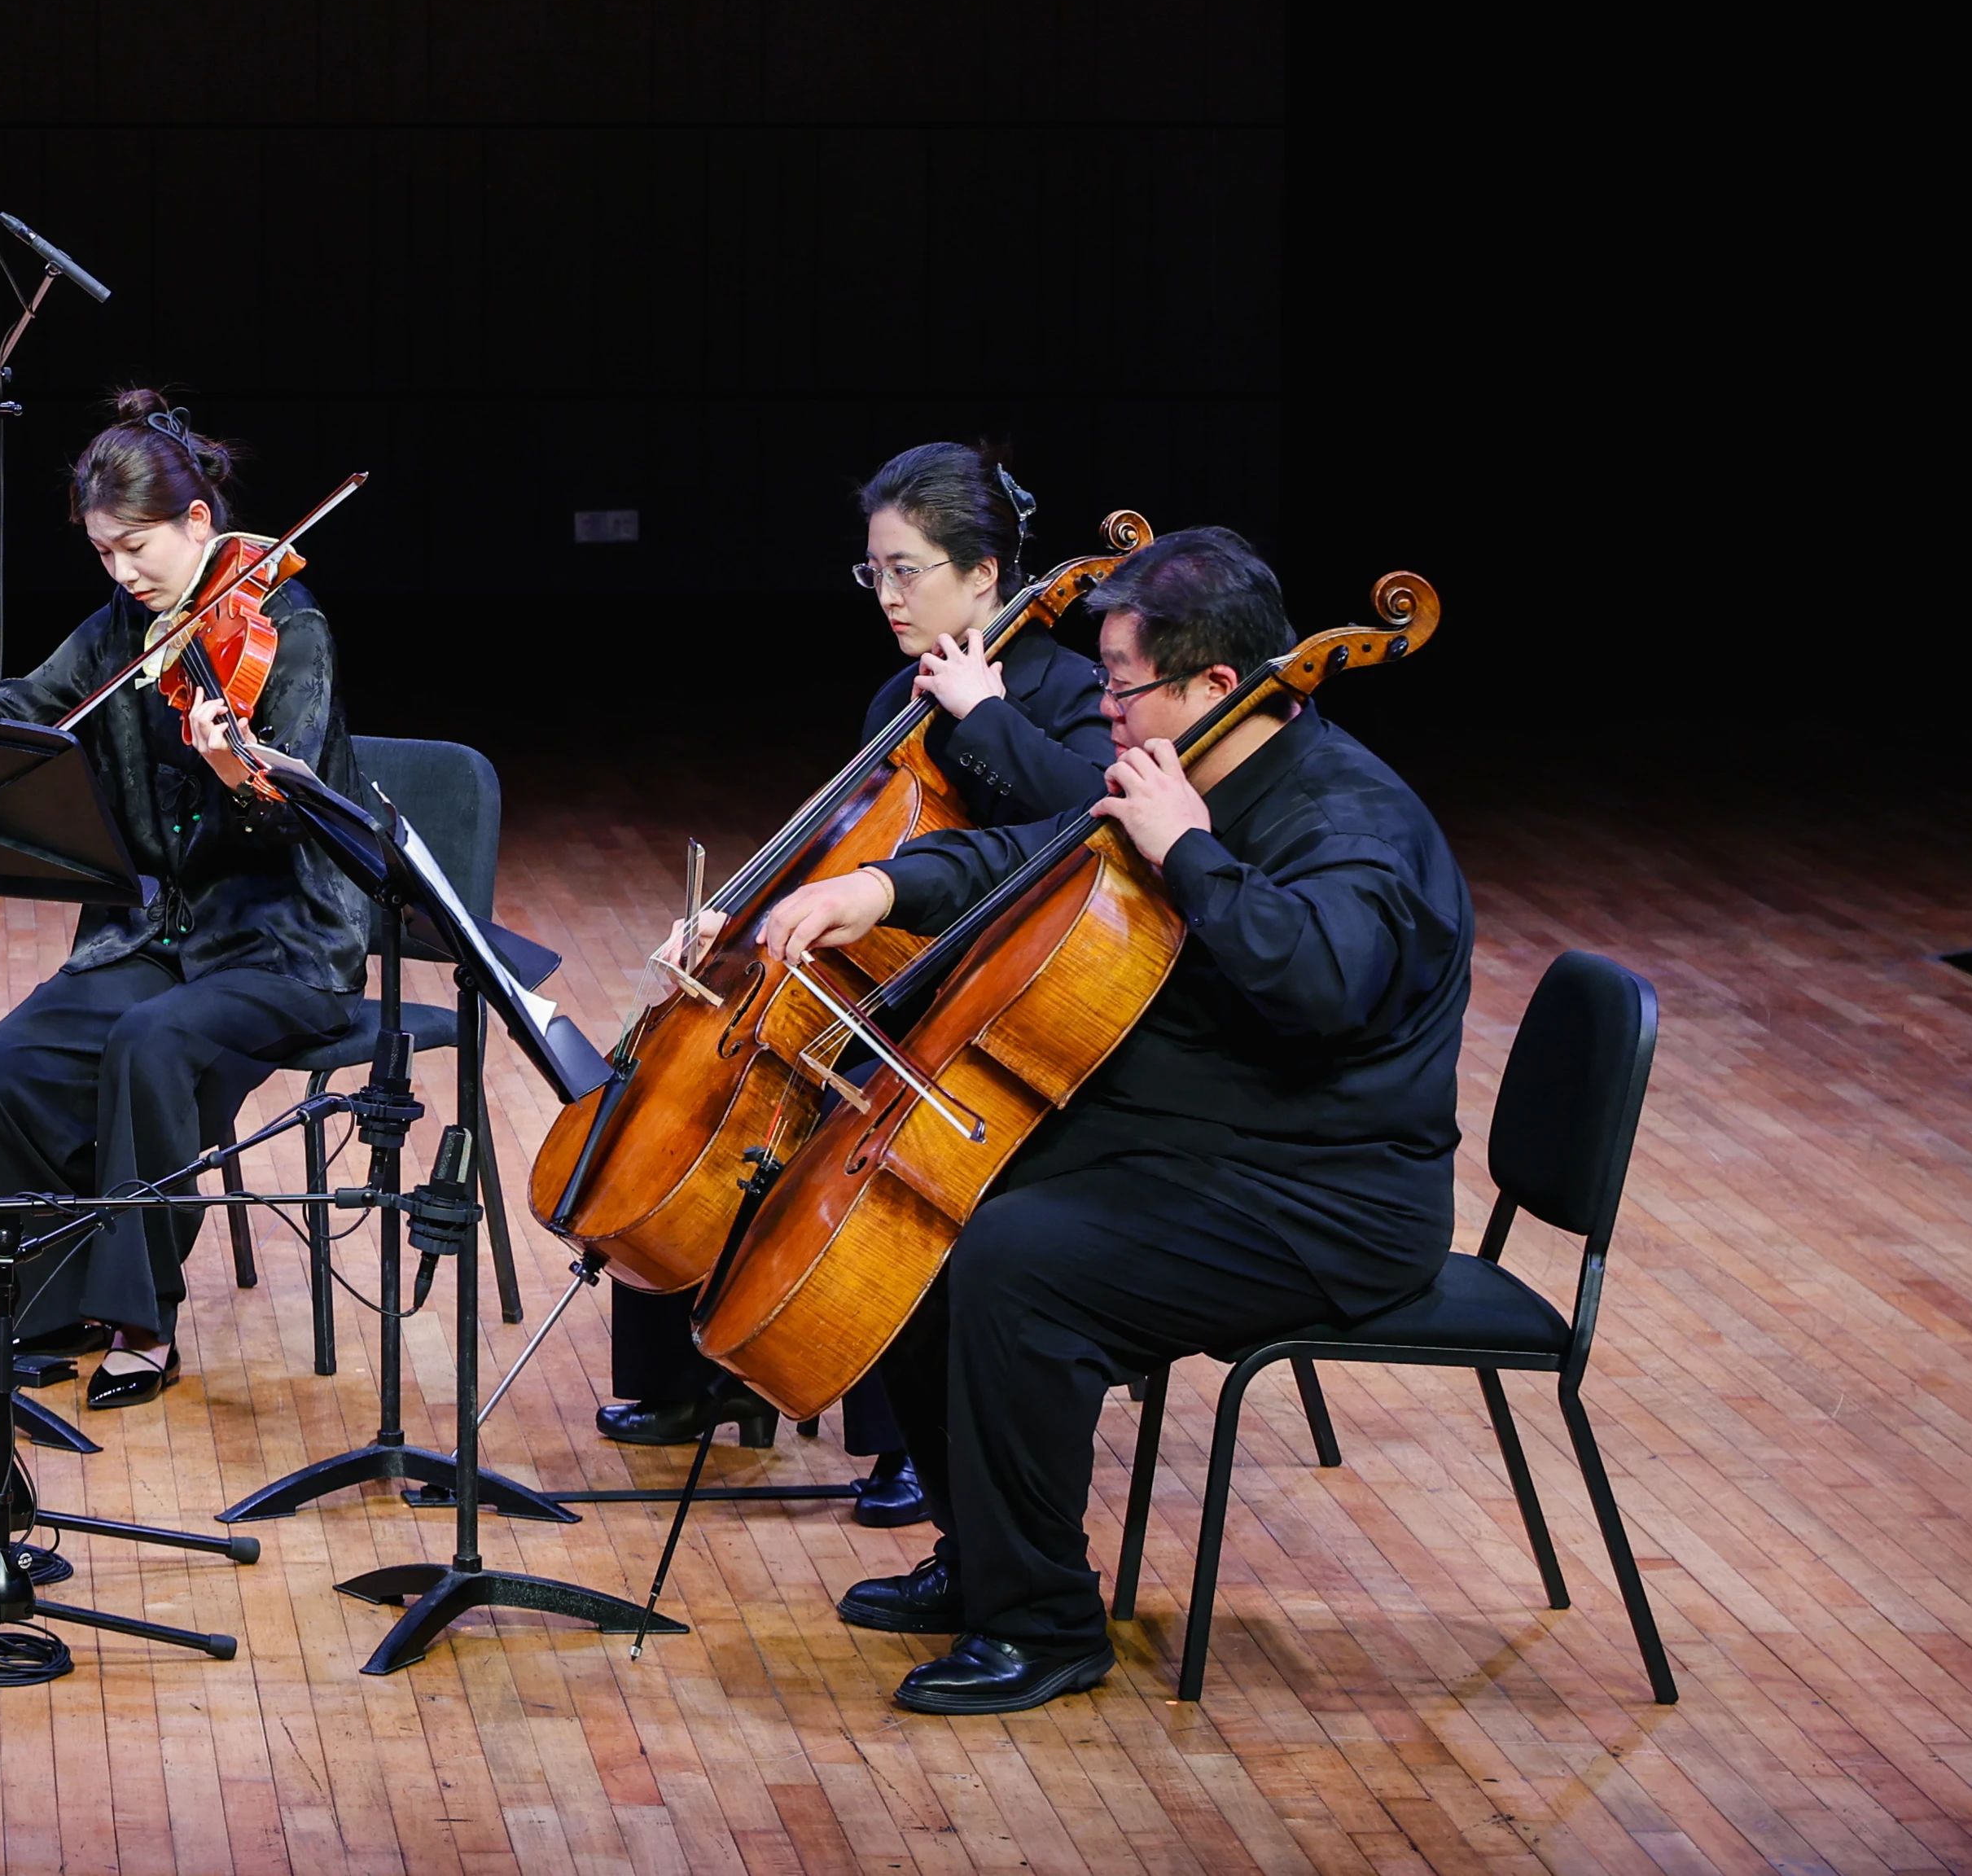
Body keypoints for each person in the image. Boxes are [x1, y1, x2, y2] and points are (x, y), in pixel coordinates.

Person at [754, 526, 1475, 1713]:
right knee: (931, 1206)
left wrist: (1186, 849)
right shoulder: (1181, 773)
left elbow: (1318, 986)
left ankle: (1043, 1625)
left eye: (1120, 685)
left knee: (1015, 1262)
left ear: (1214, 683)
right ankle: (985, 1554)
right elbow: (1037, 849)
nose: (1104, 710)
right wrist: (879, 885)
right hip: (1208, 1143)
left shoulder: (1351, 823)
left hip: (1329, 1196)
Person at [602, 440, 1114, 1523]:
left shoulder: (1069, 690)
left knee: (876, 1163)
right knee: (707, 1090)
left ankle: (908, 1444)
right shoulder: (896, 690)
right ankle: (697, 1373)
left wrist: (984, 715)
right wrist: (735, 918)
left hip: (994, 995)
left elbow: (1088, 825)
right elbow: (849, 842)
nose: (885, 595)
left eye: (906, 570)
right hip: (881, 972)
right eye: (872, 571)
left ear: (984, 573)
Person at [0, 392, 373, 1410]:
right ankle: (52, 1306)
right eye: (103, 553)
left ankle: (142, 1322)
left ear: (196, 521)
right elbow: (27, 708)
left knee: (152, 1042)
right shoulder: (123, 629)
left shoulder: (291, 631)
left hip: (283, 948)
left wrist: (240, 775)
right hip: (162, 934)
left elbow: (298, 822)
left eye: (135, 548)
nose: (122, 573)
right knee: (1, 1065)